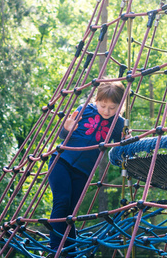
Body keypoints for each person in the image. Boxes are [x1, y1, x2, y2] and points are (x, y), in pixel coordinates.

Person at [47, 81, 126, 257]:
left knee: (71, 213)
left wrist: (126, 139)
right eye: (103, 105)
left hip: (83, 172)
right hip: (61, 162)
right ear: (96, 101)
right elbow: (63, 135)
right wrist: (66, 129)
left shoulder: (118, 123)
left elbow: (121, 144)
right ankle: (56, 250)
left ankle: (70, 251)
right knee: (62, 202)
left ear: (120, 107)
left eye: (112, 108)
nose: (106, 111)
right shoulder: (84, 110)